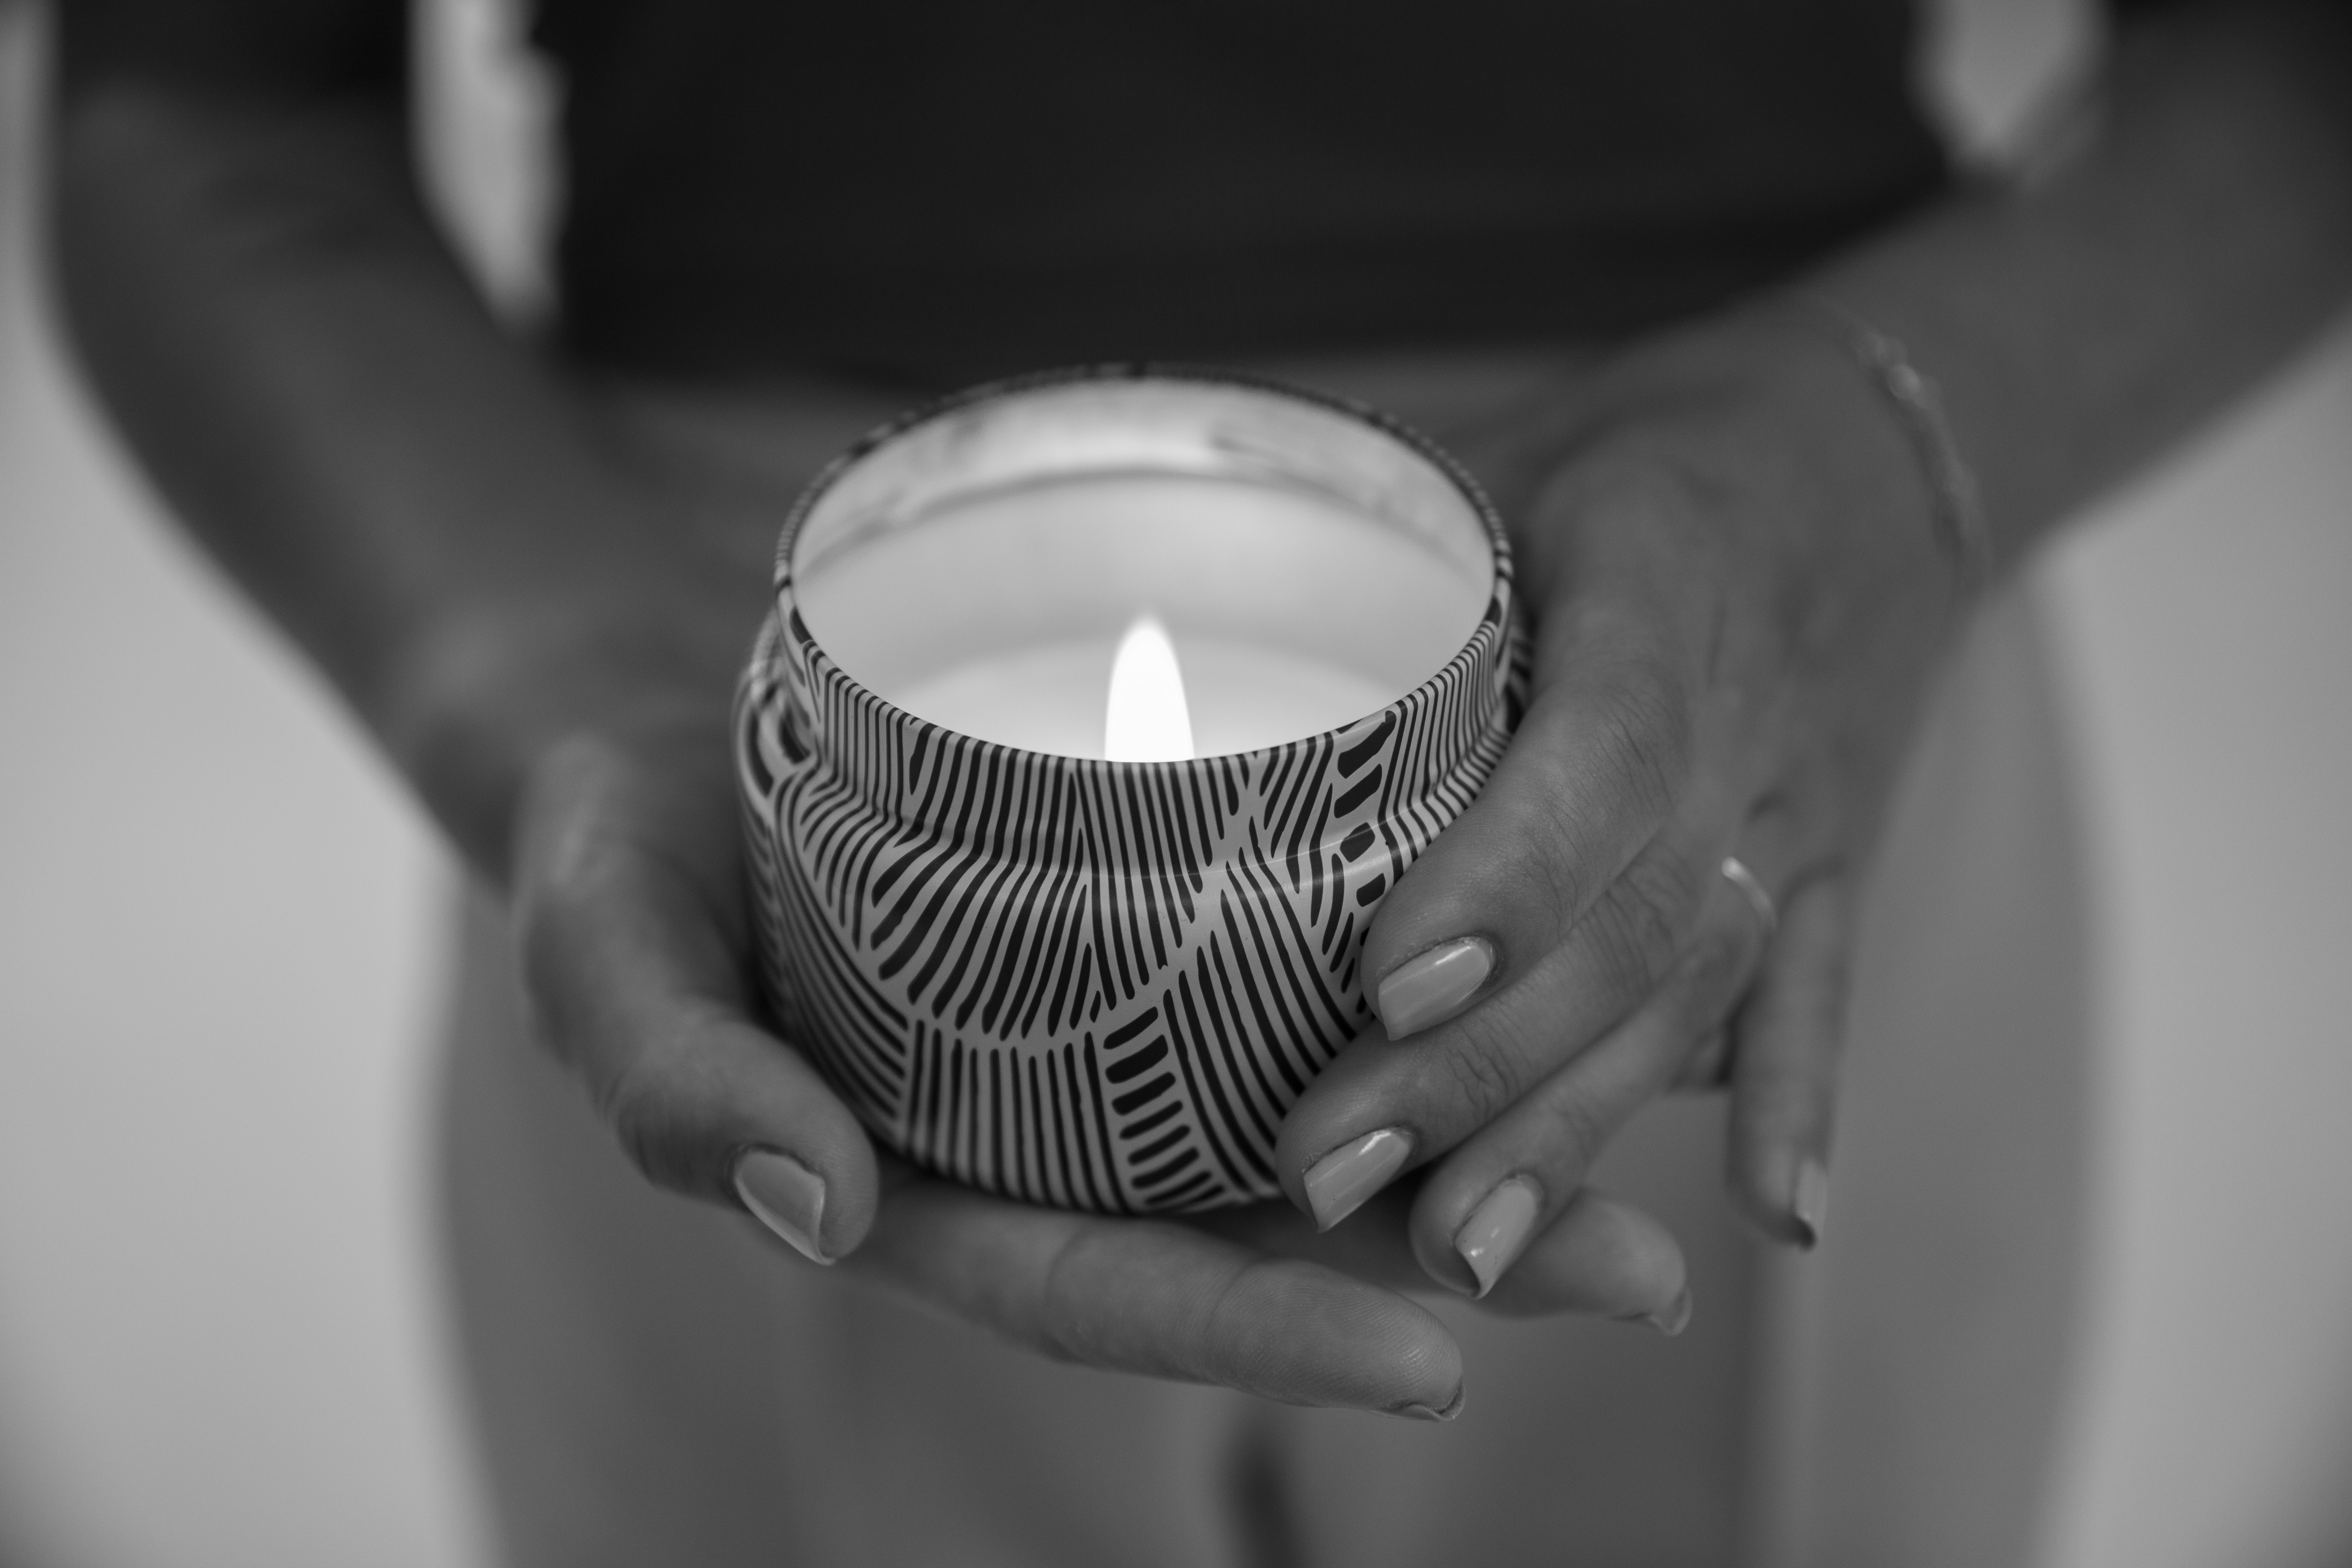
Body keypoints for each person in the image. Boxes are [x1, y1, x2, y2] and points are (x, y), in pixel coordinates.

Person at [52, 0, 2352, 1562]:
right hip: (747, 750)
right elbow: (211, 100)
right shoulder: (699, 736)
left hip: (1744, 688)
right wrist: (559, 694)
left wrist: (1898, 456)